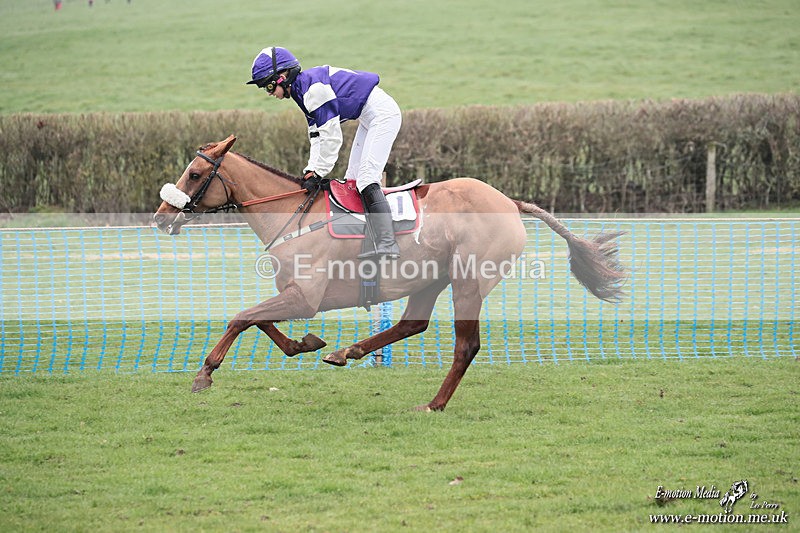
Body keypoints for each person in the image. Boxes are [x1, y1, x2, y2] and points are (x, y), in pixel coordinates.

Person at [247, 46, 401, 259]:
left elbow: (331, 136)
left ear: (283, 76)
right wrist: (311, 170)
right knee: (353, 180)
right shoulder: (302, 91)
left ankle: (387, 243)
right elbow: (316, 136)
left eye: (269, 86)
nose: (270, 93)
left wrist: (320, 171)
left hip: (382, 115)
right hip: (368, 117)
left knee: (367, 178)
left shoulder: (312, 90)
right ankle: (370, 239)